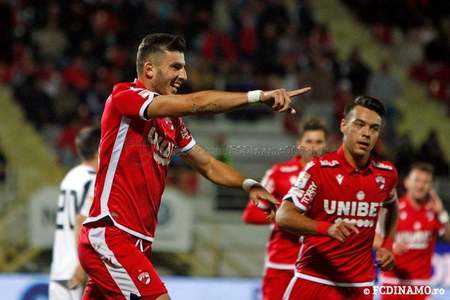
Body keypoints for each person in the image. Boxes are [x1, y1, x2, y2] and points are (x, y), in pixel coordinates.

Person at [78, 33, 311, 300]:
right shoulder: (124, 96)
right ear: (149, 69)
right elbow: (196, 103)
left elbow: (209, 165)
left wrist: (248, 185)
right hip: (111, 234)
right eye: (176, 67)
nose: (184, 76)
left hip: (138, 241)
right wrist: (257, 96)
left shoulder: (172, 122)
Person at [276, 96, 399, 300]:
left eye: (374, 128)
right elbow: (283, 216)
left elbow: (393, 207)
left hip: (359, 286)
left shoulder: (386, 174)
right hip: (314, 280)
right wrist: (326, 228)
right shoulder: (319, 170)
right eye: (359, 125)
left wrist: (387, 245)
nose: (366, 133)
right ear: (343, 125)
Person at [241, 118, 329, 300]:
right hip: (282, 264)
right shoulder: (279, 172)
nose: (313, 147)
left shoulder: (334, 176)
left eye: (319, 142)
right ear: (299, 144)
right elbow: (250, 214)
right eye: (309, 141)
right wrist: (285, 214)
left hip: (319, 264)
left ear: (326, 145)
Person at [378, 163, 450, 300]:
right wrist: (390, 245)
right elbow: (372, 238)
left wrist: (442, 213)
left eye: (426, 182)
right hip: (393, 283)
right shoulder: (393, 209)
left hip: (421, 285)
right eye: (417, 180)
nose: (421, 186)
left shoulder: (434, 212)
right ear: (406, 183)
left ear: (430, 186)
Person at [49, 126, 100, 300]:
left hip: (59, 268)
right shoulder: (94, 180)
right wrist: (81, 267)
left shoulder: (71, 176)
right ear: (101, 149)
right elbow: (81, 221)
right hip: (76, 273)